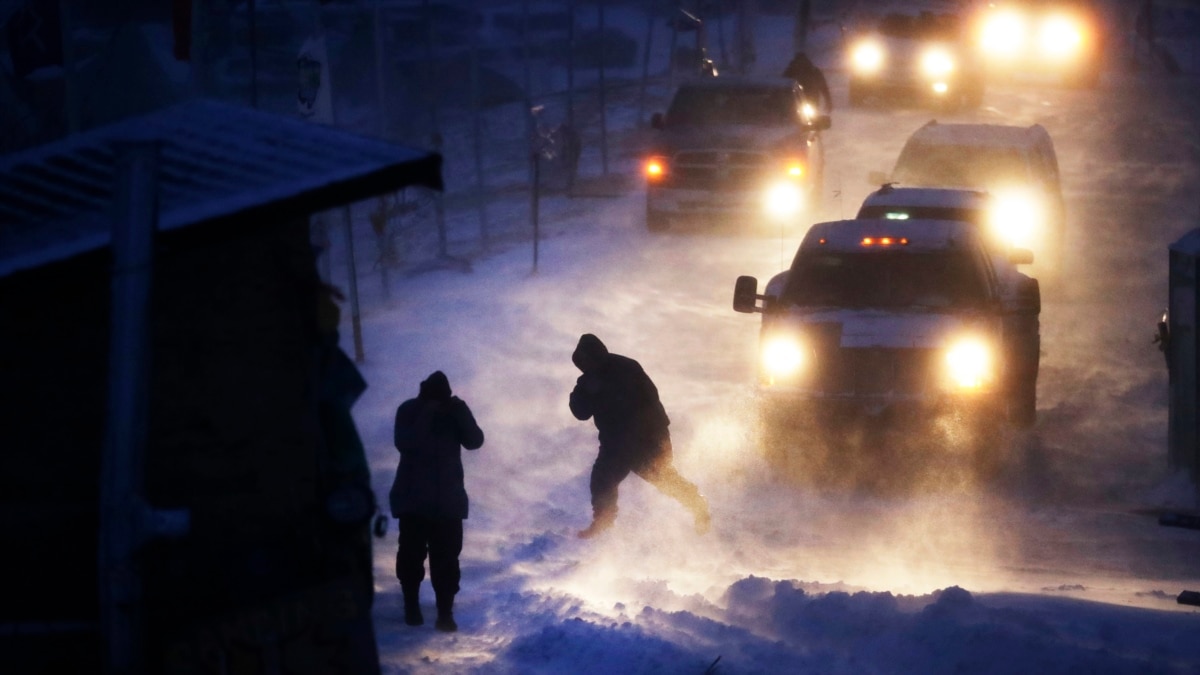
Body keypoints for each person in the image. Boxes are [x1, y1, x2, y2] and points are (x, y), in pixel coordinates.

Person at [569, 334, 711, 539]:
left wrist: (659, 438)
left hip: (645, 439)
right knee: (601, 481)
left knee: (663, 478)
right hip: (614, 444)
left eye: (589, 360)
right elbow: (580, 412)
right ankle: (603, 522)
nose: (587, 366)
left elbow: (652, 399)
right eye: (583, 363)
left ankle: (698, 506)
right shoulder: (587, 381)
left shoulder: (627, 368)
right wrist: (585, 393)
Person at [389, 371, 484, 632]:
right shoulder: (409, 410)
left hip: (448, 503)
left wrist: (460, 411)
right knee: (410, 557)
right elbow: (406, 443)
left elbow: (475, 441)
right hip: (413, 501)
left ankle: (445, 612)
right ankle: (411, 606)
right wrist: (427, 413)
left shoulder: (453, 412)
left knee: (447, 561)